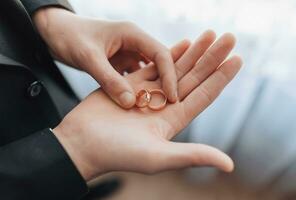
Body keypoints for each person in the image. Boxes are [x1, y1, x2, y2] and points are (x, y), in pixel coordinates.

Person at [0, 0, 242, 199]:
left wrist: (45, 15)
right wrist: (73, 152)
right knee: (59, 180)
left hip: (40, 80)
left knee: (73, 182)